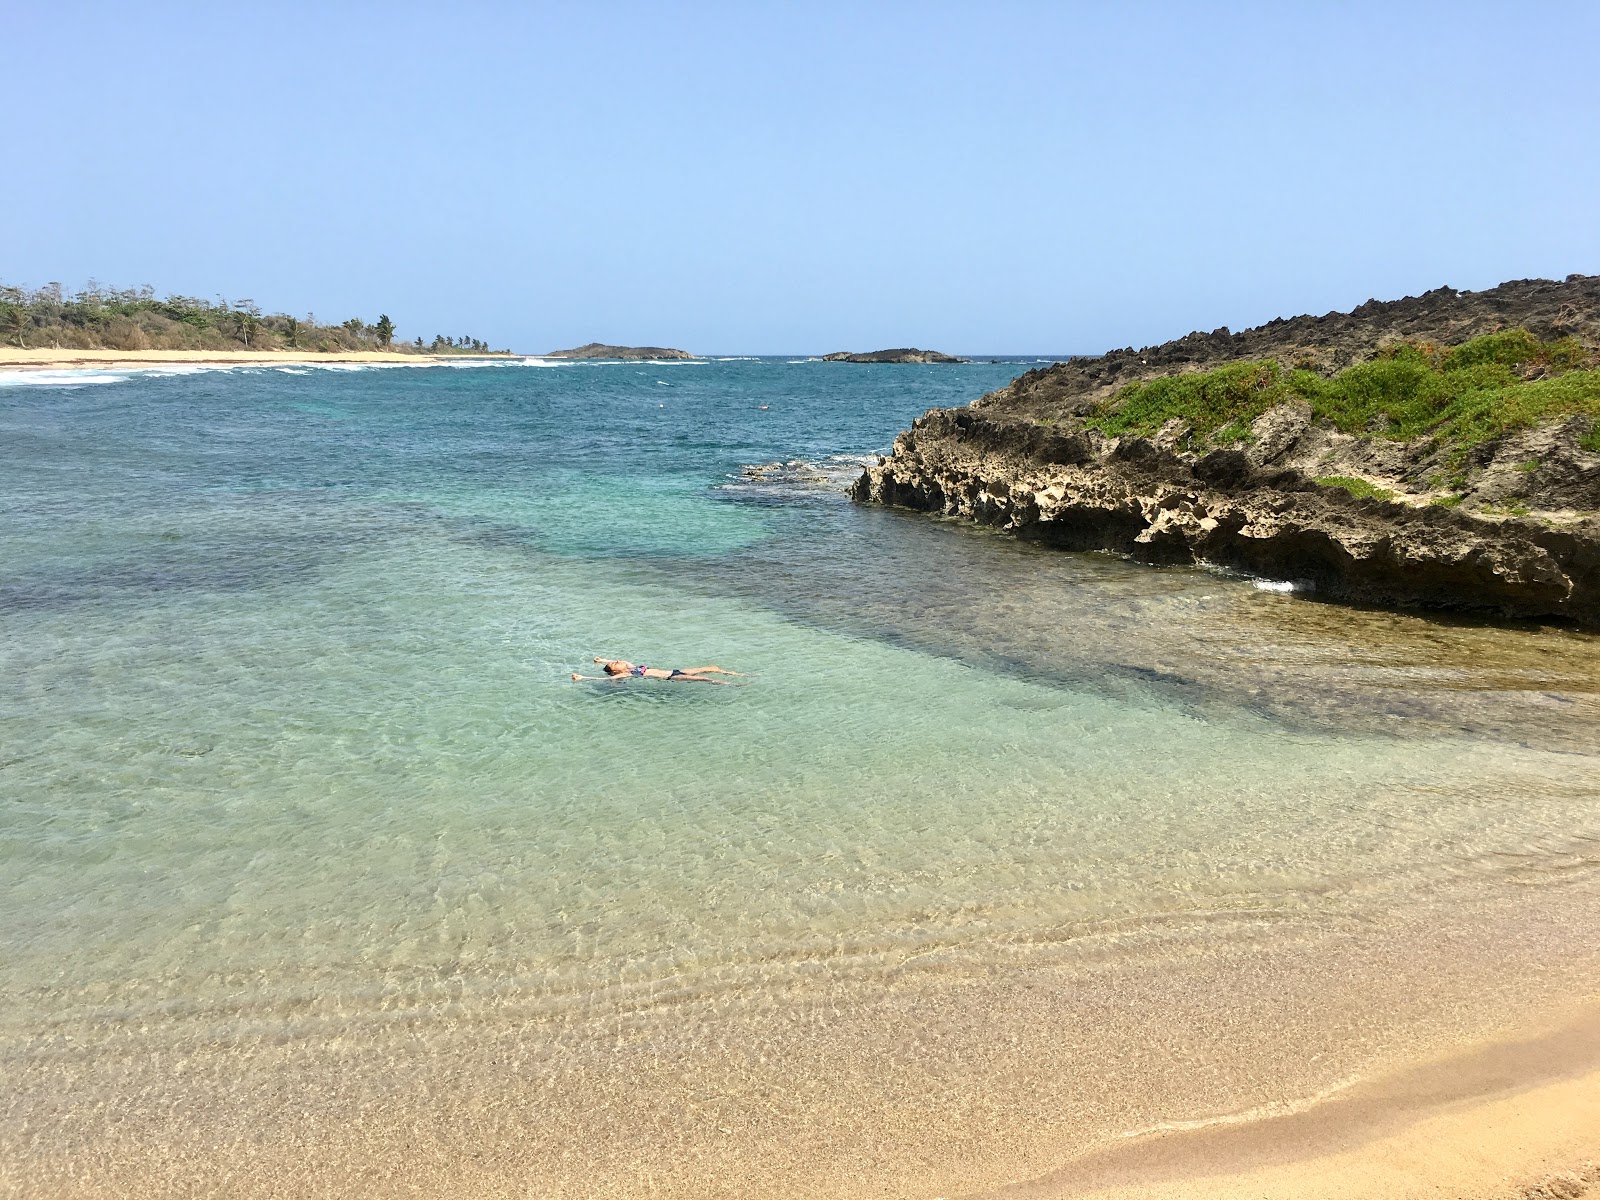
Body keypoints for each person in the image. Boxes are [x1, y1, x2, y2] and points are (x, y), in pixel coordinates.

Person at [570, 658, 744, 684]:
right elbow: (605, 679)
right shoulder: (628, 673)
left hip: (674, 670)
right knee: (705, 679)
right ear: (616, 672)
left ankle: (738, 674)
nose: (617, 661)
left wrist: (603, 660)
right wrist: (583, 677)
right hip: (671, 677)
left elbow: (617, 659)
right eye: (615, 664)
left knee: (710, 668)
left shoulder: (630, 666)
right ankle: (730, 684)